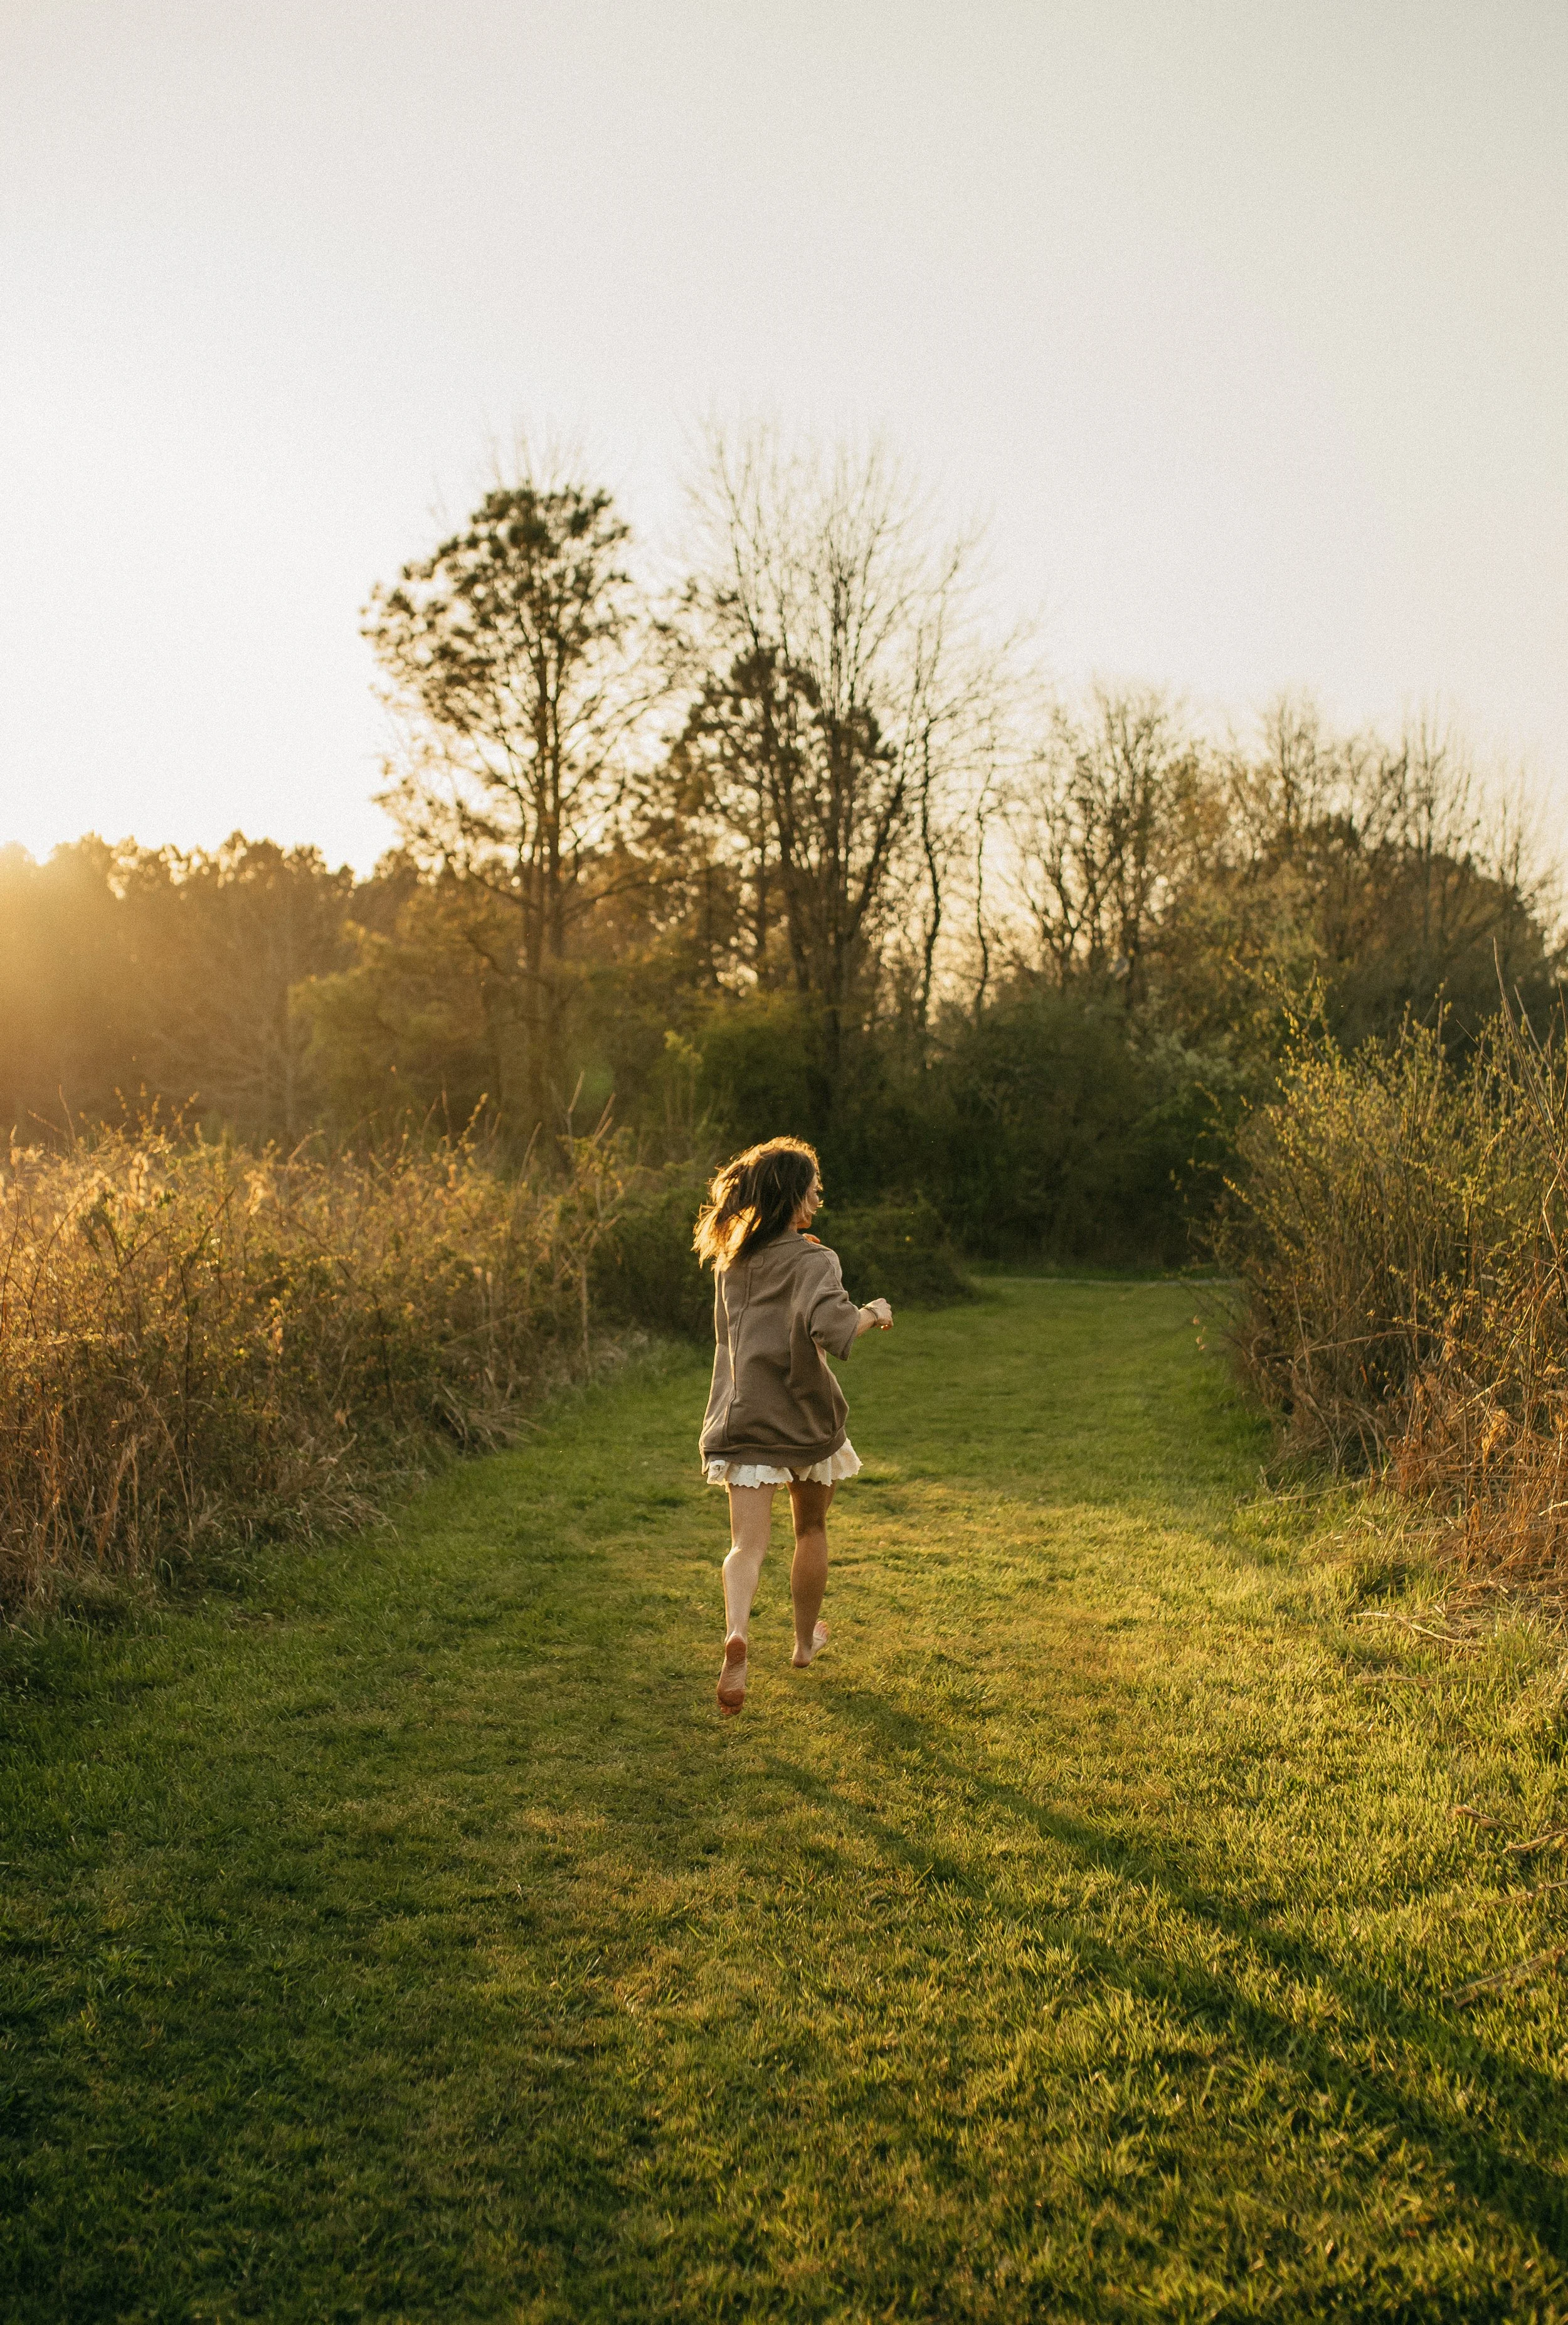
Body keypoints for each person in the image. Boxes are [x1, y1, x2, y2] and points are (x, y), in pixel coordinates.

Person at [694, 1136, 893, 1714]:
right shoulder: (814, 1260)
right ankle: (804, 1645)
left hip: (742, 1416)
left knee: (745, 1546)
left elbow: (728, 1338)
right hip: (804, 1419)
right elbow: (833, 1330)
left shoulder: (732, 1261)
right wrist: (873, 1313)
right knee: (810, 1532)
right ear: (794, 1197)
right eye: (813, 1190)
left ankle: (737, 1633)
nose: (817, 1200)